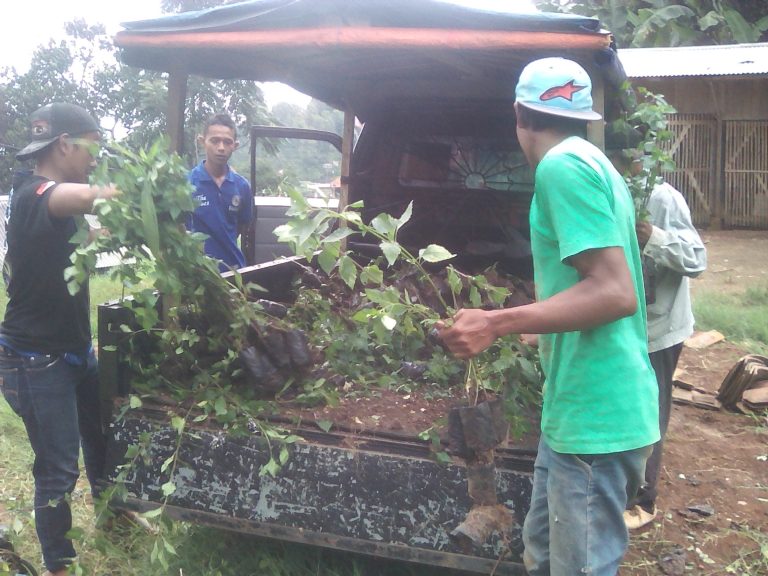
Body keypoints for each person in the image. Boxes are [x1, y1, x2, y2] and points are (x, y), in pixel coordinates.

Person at [438, 58, 659, 576]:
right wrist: (531, 331)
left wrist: (496, 322)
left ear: (518, 111)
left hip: (595, 417)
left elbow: (614, 292)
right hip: (581, 413)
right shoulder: (594, 161)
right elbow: (592, 290)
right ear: (584, 115)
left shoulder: (561, 168)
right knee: (541, 554)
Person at [0, 102, 120, 576]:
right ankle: (59, 566)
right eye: (92, 146)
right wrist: (142, 189)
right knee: (57, 469)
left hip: (74, 349)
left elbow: (72, 249)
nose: (96, 156)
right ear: (65, 144)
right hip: (35, 360)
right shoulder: (34, 192)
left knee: (103, 436)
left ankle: (116, 514)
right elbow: (86, 197)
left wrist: (104, 237)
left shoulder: (53, 201)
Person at [607, 141, 707, 530]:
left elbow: (697, 259)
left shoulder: (663, 198)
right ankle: (621, 485)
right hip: (623, 325)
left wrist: (653, 236)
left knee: (650, 412)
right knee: (625, 407)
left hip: (660, 329)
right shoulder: (607, 192)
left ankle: (643, 502)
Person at [187, 113, 254, 271]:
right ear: (202, 141)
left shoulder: (242, 186)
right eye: (215, 141)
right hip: (197, 273)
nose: (221, 148)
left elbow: (241, 227)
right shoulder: (187, 183)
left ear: (235, 146)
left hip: (233, 272)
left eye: (227, 142)